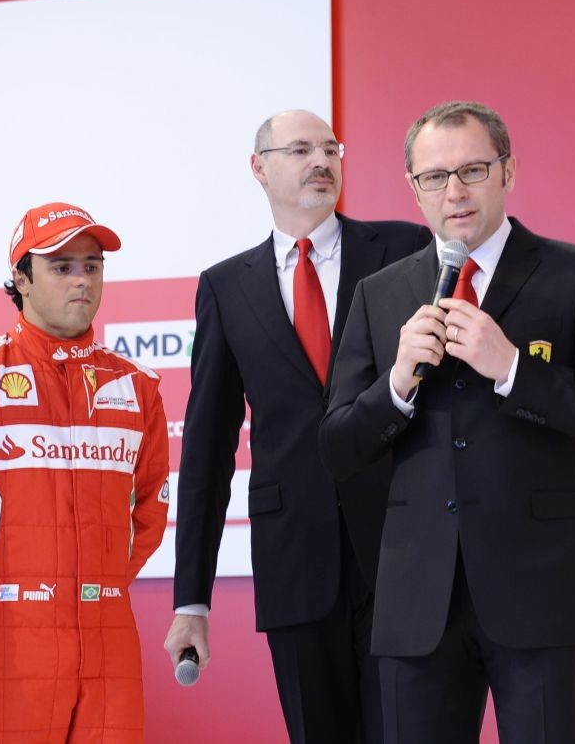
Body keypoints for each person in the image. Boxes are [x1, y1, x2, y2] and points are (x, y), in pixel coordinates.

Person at [319, 101, 575, 743]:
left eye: (472, 170)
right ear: (413, 189)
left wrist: (513, 369)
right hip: (418, 598)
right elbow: (337, 448)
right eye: (434, 177)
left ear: (508, 171)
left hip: (540, 590)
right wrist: (396, 385)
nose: (455, 192)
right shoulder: (379, 293)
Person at [166, 110, 430, 743]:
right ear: (259, 168)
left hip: (403, 547)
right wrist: (191, 599)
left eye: (331, 149)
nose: (321, 161)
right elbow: (207, 449)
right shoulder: (226, 287)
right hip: (294, 563)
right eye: (301, 149)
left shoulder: (404, 249)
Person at [0, 202, 169, 743]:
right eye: (61, 267)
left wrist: (92, 586)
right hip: (11, 638)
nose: (82, 280)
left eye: (92, 266)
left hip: (109, 636)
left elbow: (150, 512)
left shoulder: (137, 386)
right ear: (22, 279)